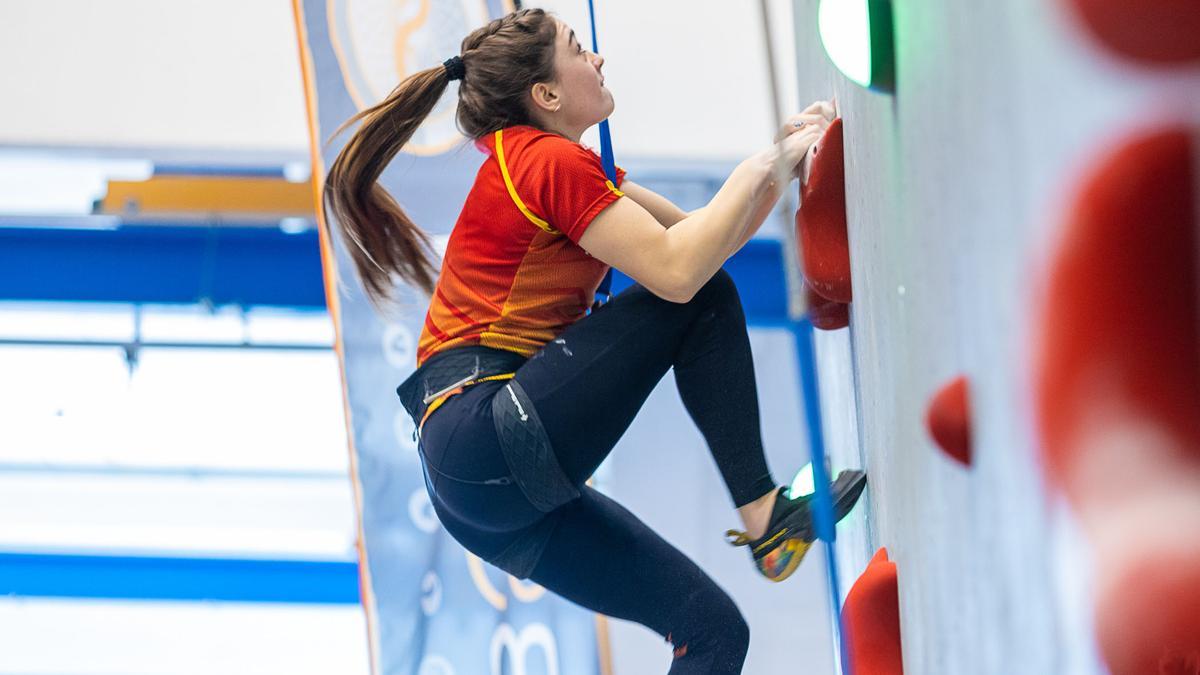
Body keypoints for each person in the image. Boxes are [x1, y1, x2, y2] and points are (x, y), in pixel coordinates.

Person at [323, 8, 867, 673]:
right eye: (580, 50)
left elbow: (699, 239)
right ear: (546, 95)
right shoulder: (542, 161)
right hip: (482, 434)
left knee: (714, 631)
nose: (599, 60)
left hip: (480, 489)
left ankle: (768, 524)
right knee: (699, 295)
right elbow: (679, 272)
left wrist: (781, 161)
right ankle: (763, 514)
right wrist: (767, 162)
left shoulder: (558, 166)